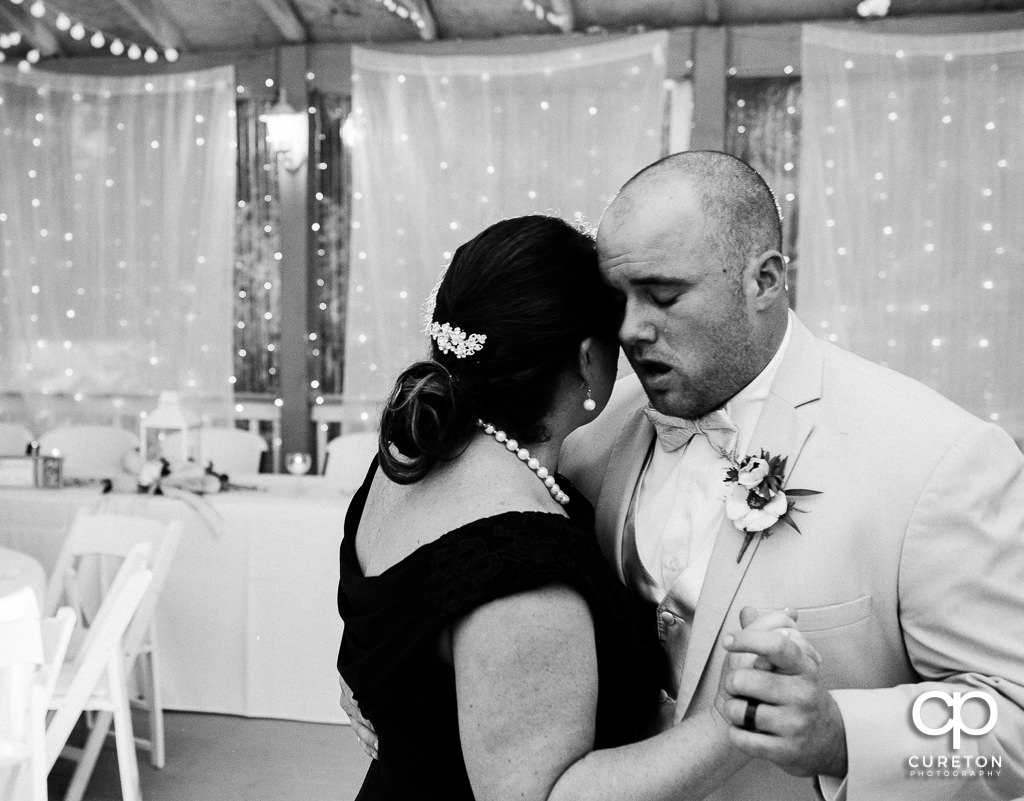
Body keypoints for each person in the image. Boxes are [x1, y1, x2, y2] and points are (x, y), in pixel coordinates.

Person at [560, 150, 1024, 800]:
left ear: (765, 279)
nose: (632, 329)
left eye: (664, 295)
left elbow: (1014, 730)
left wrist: (843, 735)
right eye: (619, 298)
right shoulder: (590, 434)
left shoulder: (937, 457)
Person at [337, 214, 817, 801]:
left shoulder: (408, 449)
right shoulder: (518, 561)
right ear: (589, 360)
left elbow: (387, 620)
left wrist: (375, 691)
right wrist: (727, 725)